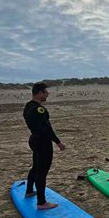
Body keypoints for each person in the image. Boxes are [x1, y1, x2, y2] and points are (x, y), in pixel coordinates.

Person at [24, 82, 65, 210]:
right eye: (46, 92)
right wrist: (58, 142)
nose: (47, 95)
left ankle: (29, 190)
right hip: (43, 142)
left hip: (34, 140)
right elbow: (46, 128)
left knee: (36, 166)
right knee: (42, 172)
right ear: (40, 92)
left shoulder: (28, 106)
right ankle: (41, 202)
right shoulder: (39, 109)